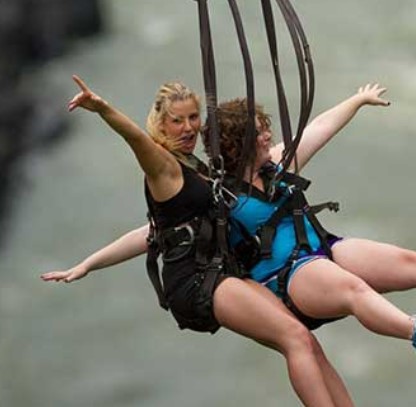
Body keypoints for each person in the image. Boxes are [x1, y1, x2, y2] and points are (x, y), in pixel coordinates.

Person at [41, 75, 356, 407]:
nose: (188, 127)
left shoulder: (201, 170)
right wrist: (104, 110)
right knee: (294, 338)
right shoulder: (165, 168)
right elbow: (136, 139)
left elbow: (149, 235)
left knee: (304, 340)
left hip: (219, 273)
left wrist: (87, 264)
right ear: (161, 124)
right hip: (194, 280)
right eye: (176, 121)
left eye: (193, 117)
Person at [202, 83, 416, 363]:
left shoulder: (277, 163)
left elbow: (319, 127)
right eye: (259, 133)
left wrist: (358, 99)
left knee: (413, 264)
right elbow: (154, 231)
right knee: (354, 289)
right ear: (238, 144)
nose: (267, 136)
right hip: (286, 279)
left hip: (321, 250)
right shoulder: (215, 195)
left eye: (265, 129)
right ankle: (415, 331)